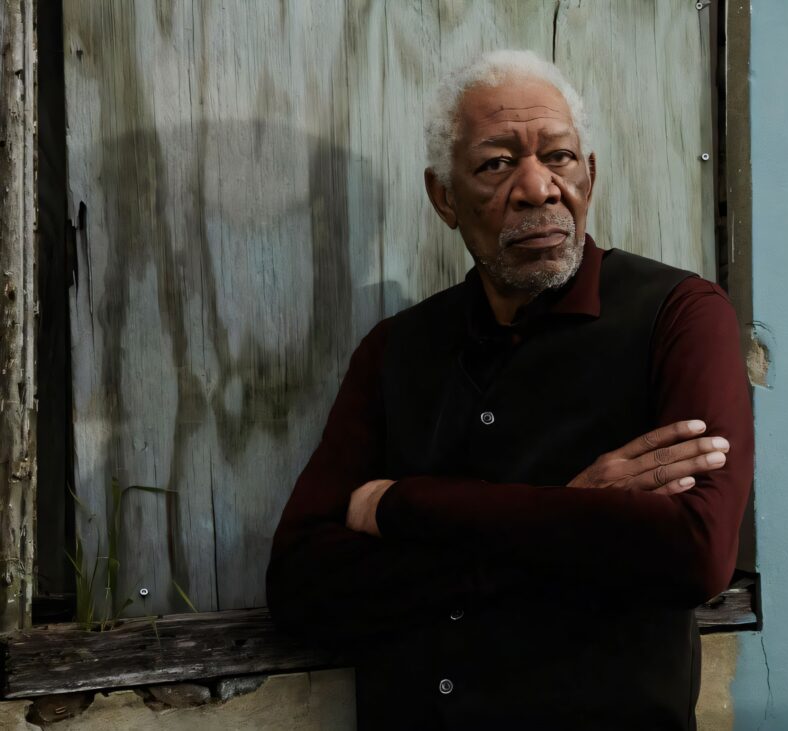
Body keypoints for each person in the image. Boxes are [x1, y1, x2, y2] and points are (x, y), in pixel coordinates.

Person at [267, 49, 753, 731]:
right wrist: (575, 515)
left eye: (557, 156)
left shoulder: (679, 315)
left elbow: (695, 552)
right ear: (443, 197)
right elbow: (300, 583)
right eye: (496, 163)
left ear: (590, 175)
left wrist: (409, 505)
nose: (537, 189)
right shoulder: (396, 351)